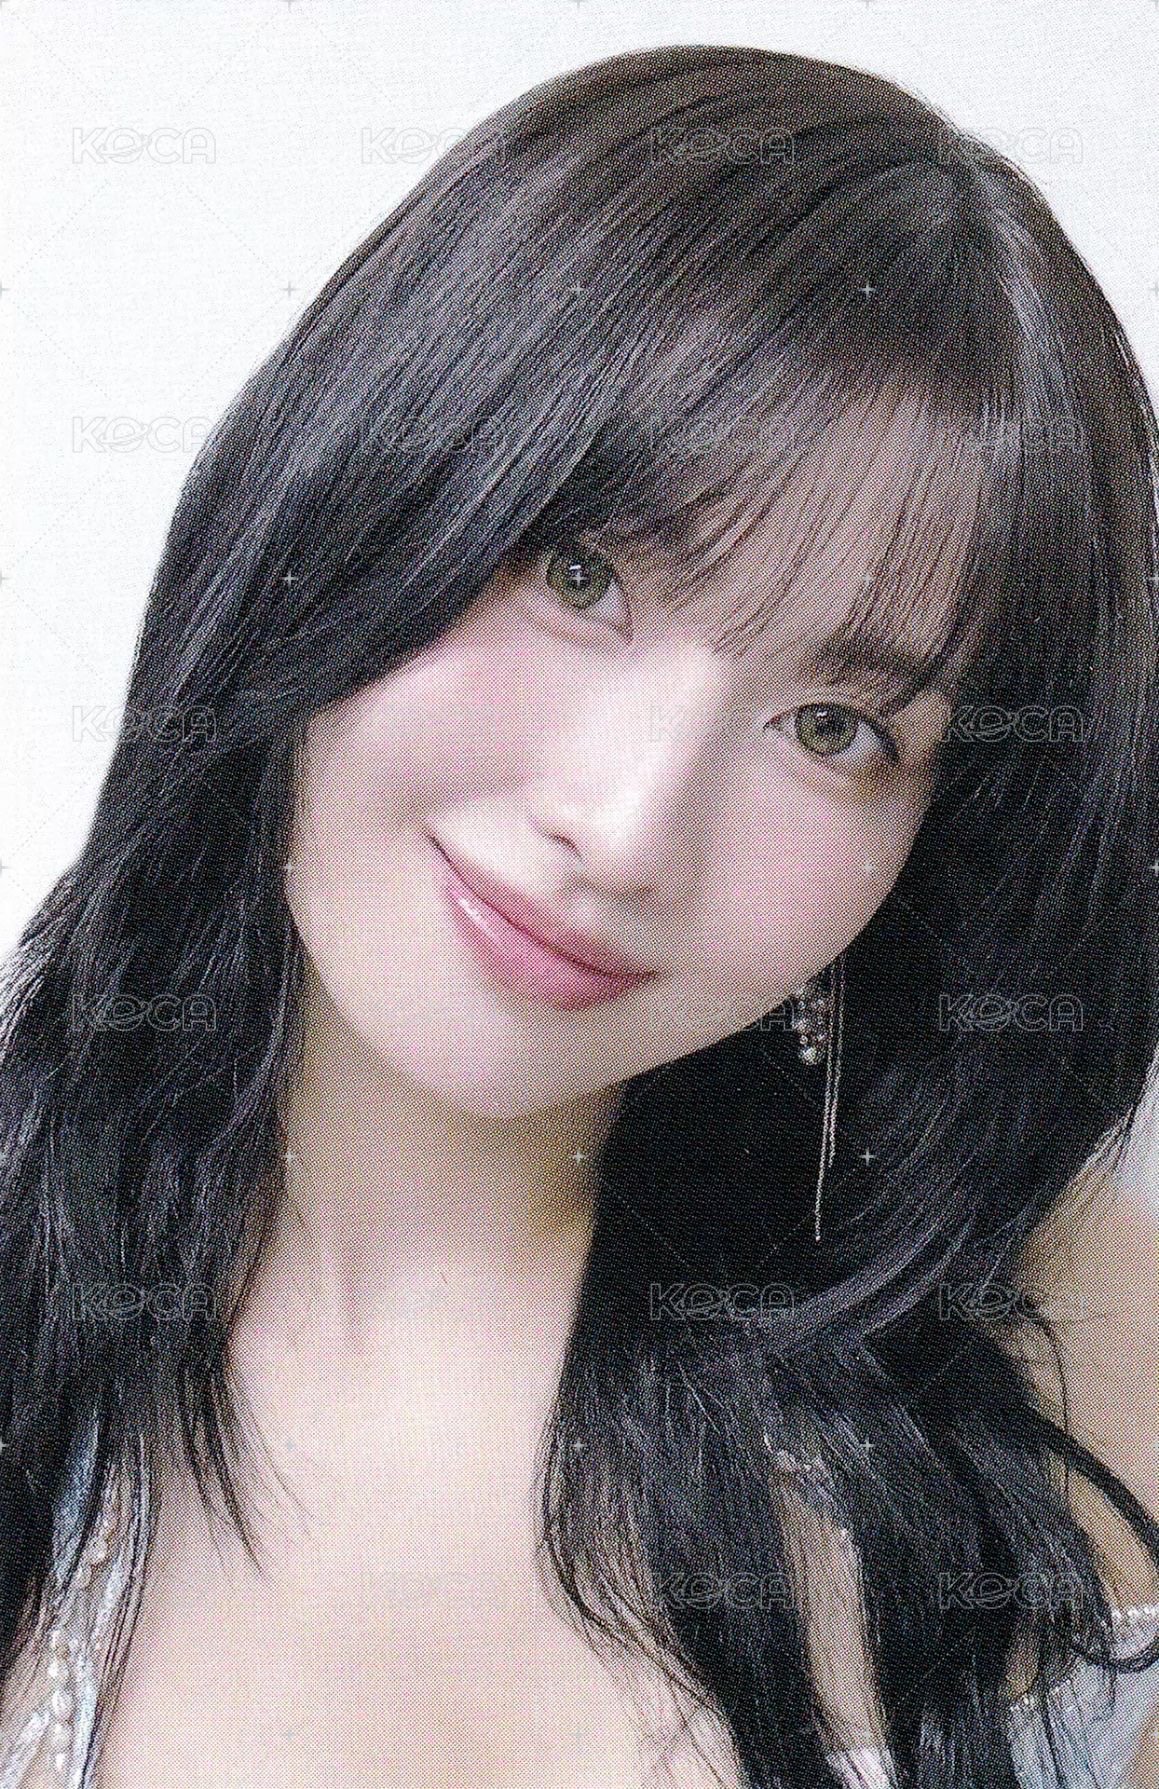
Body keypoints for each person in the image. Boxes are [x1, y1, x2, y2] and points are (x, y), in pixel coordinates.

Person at [0, 41, 1156, 1789]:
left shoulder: (1080, 1367)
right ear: (349, 485)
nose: (624, 829)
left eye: (832, 728)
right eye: (580, 574)